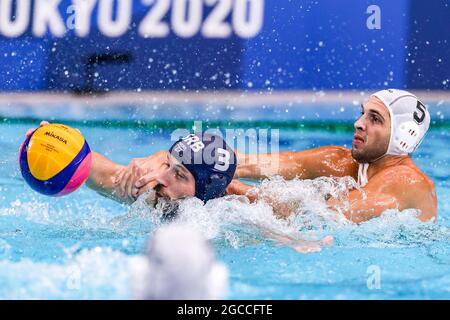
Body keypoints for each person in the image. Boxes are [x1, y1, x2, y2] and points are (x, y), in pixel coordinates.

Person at [227, 89, 437, 223]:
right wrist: (203, 154)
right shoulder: (341, 162)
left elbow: (318, 218)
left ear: (404, 136)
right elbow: (250, 163)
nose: (359, 123)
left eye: (374, 119)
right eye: (362, 113)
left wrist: (229, 188)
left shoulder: (406, 181)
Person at [24, 122, 237, 207]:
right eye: (168, 166)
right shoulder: (153, 194)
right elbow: (107, 175)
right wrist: (68, 149)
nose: (162, 178)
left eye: (179, 175)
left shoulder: (239, 217)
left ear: (208, 191)